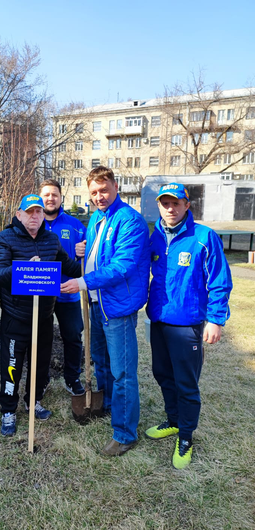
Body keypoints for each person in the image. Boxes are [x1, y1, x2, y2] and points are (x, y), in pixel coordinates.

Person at [61, 167, 150, 456]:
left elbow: (123, 265)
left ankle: (125, 433)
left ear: (115, 187)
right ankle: (109, 405)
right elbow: (97, 255)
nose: (99, 197)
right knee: (101, 361)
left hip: (117, 307)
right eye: (94, 193)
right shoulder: (98, 218)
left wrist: (83, 282)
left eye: (104, 190)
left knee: (123, 371)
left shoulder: (130, 221)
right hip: (96, 304)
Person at [145, 183, 232, 469]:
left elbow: (219, 280)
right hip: (158, 319)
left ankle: (185, 436)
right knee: (162, 373)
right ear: (159, 206)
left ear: (187, 205)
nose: (170, 208)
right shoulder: (154, 236)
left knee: (186, 382)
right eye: (165, 203)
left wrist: (216, 320)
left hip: (188, 324)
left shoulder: (204, 237)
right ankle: (173, 420)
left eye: (176, 203)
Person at [0, 194, 82, 436]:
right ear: (19, 214)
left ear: (43, 216)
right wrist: (23, 269)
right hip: (15, 316)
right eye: (29, 211)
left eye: (38, 211)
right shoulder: (3, 239)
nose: (34, 216)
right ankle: (8, 410)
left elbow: (69, 267)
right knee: (12, 366)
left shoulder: (51, 240)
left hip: (43, 316)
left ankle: (34, 400)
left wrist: (84, 256)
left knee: (41, 365)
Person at [39, 179, 87, 396]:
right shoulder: (33, 223)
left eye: (54, 195)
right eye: (46, 194)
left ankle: (73, 378)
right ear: (40, 197)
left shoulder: (75, 226)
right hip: (41, 295)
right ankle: (41, 379)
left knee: (73, 336)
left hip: (68, 292)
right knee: (41, 338)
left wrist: (83, 252)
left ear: (61, 198)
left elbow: (90, 258)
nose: (51, 198)